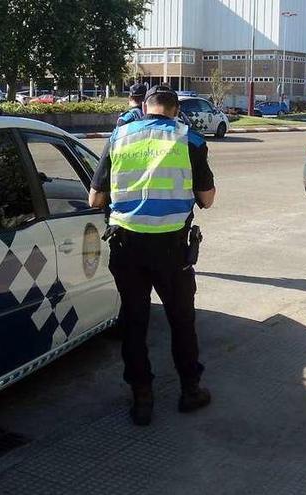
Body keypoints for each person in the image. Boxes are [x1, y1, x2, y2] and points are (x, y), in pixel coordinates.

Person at [89, 85, 216, 426]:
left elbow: (94, 200)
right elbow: (207, 198)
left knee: (134, 321)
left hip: (127, 245)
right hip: (172, 249)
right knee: (181, 321)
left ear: (145, 108)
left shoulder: (118, 138)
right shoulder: (190, 139)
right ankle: (190, 390)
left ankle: (142, 398)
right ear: (175, 110)